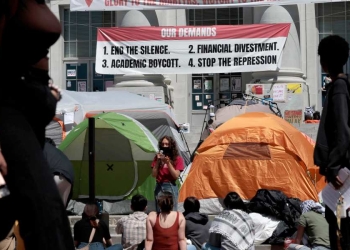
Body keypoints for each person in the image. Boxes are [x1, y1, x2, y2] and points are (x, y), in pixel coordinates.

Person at [0, 1, 74, 249]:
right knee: (43, 208)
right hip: (15, 93)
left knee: (45, 209)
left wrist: (48, 97)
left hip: (30, 90)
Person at [314, 35, 350, 250]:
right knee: (338, 222)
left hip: (340, 173)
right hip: (342, 170)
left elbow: (343, 131)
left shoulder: (339, 88)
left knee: (338, 225)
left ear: (325, 61)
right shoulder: (342, 86)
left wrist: (334, 165)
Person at [152, 136, 185, 211]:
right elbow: (154, 175)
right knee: (159, 210)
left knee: (172, 209)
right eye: (163, 144)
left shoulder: (177, 158)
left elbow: (176, 175)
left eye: (167, 144)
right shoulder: (157, 158)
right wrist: (158, 161)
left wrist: (168, 163)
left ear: (171, 145)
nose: (164, 146)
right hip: (159, 184)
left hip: (170, 185)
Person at [44, 137, 74, 207]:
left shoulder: (42, 148)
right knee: (60, 212)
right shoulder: (58, 152)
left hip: (55, 174)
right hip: (68, 177)